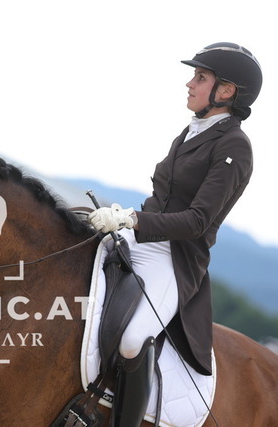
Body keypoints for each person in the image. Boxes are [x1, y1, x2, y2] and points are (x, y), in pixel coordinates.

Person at [88, 42, 263, 427]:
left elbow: (197, 221)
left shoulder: (235, 146)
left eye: (200, 77)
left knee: (133, 340)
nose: (190, 83)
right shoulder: (192, 131)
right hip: (141, 239)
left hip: (174, 259)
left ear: (226, 91)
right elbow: (164, 197)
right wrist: (122, 222)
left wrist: (130, 219)